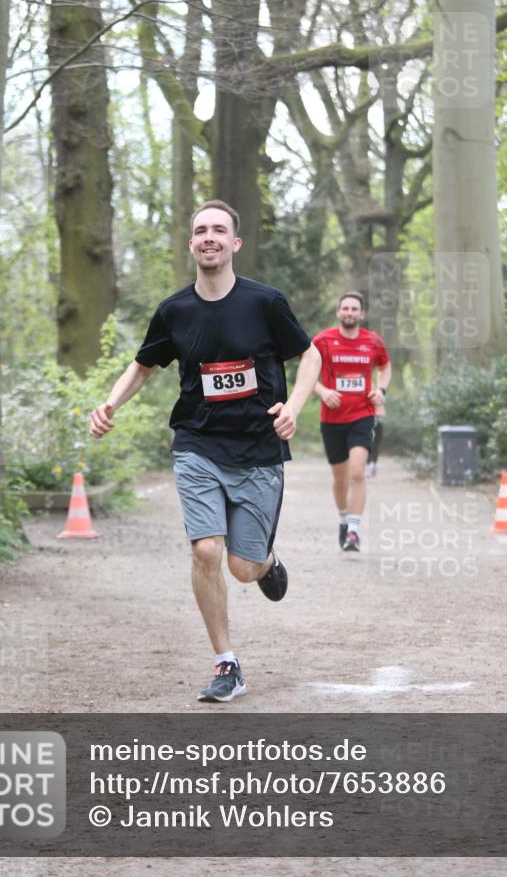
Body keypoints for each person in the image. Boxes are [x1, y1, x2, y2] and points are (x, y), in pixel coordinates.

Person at [90, 200, 320, 703]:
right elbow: (144, 366)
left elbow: (311, 354)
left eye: (219, 230)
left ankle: (265, 561)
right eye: (200, 230)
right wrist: (110, 403)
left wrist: (294, 407)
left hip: (259, 450)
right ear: (192, 244)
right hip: (197, 444)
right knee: (206, 550)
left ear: (235, 243)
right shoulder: (175, 311)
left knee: (242, 566)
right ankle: (227, 663)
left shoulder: (264, 302)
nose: (209, 237)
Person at [313, 292, 391, 552]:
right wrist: (323, 391)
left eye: (354, 308)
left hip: (362, 414)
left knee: (357, 472)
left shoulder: (373, 341)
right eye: (345, 308)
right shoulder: (323, 341)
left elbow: (385, 366)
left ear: (361, 314)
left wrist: (381, 391)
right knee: (340, 479)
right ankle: (344, 519)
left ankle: (355, 532)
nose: (349, 312)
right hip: (332, 419)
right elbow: (306, 372)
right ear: (338, 312)